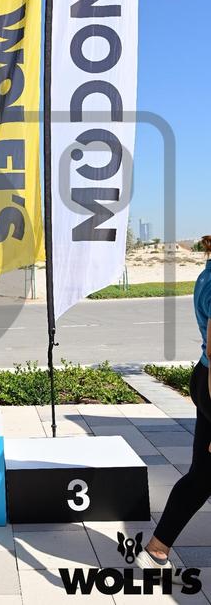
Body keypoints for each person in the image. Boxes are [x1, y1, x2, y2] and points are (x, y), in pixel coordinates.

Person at [138, 234, 211, 572]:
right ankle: (156, 548)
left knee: (203, 476)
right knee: (202, 476)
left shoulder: (206, 276)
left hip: (204, 377)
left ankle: (157, 549)